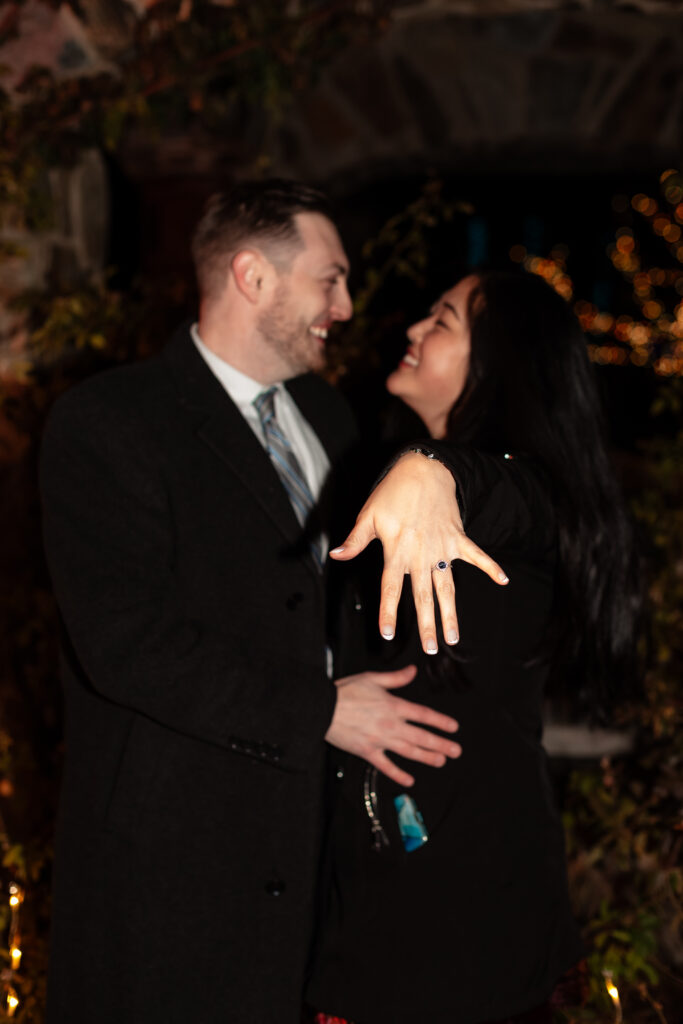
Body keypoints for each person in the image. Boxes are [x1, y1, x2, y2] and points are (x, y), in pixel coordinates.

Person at [39, 180, 507, 1024]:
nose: (346, 304)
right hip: (169, 882)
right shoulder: (108, 421)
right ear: (253, 277)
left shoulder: (330, 418)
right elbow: (127, 644)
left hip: (307, 870)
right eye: (329, 279)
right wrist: (319, 711)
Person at [307, 270, 640, 1024]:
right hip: (399, 900)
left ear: (499, 365)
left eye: (445, 321)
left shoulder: (529, 499)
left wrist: (434, 470)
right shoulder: (389, 477)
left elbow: (508, 495)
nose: (415, 330)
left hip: (459, 929)